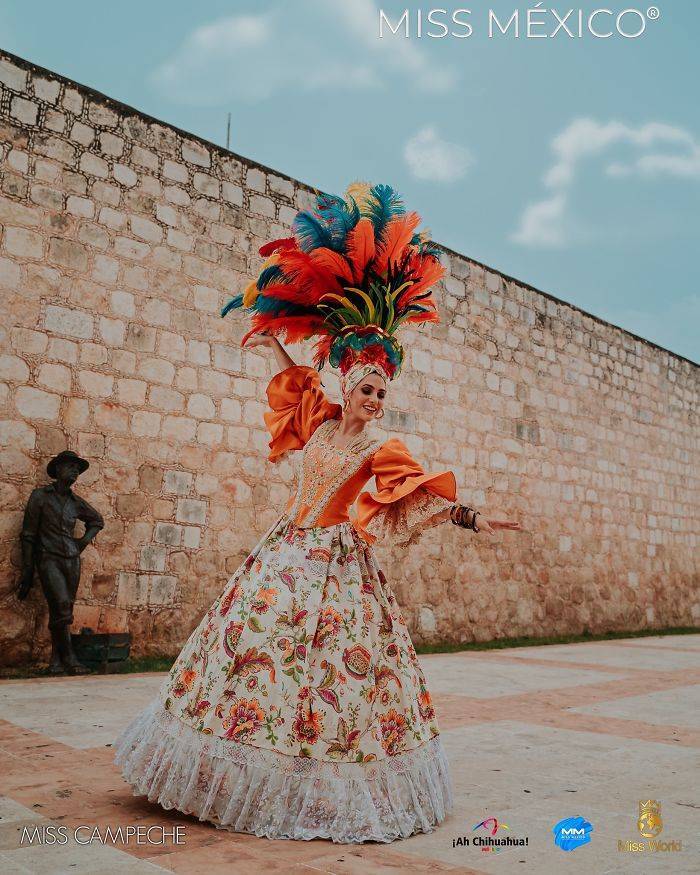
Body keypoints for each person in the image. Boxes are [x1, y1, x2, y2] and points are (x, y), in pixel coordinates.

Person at [114, 182, 521, 843]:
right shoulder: (324, 422)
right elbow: (291, 390)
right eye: (367, 389)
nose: (375, 400)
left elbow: (418, 492)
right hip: (283, 550)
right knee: (251, 649)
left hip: (336, 564)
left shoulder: (380, 447)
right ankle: (231, 775)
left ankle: (316, 784)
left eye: (382, 392)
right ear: (348, 385)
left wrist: (474, 517)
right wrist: (270, 338)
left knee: (331, 673)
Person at [18, 449, 105, 674]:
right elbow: (28, 534)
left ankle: (55, 662)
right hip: (48, 558)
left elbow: (97, 521)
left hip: (71, 561)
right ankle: (71, 659)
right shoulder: (40, 496)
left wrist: (82, 542)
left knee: (62, 610)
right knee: (63, 604)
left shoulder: (76, 502)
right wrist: (27, 570)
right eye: (70, 466)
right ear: (58, 469)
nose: (75, 470)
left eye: (78, 468)